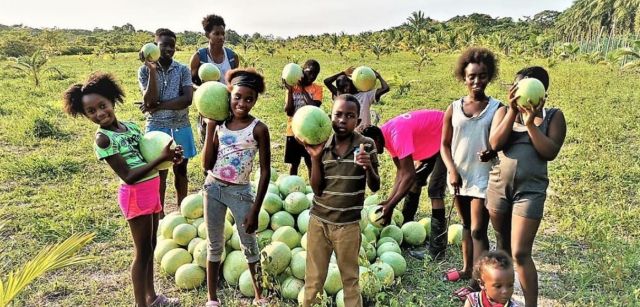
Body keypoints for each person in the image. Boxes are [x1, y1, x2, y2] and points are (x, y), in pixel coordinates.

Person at [62, 72, 182, 307]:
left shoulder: (132, 128)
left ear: (112, 101)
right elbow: (128, 176)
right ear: (85, 115)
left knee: (152, 247)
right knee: (142, 253)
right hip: (135, 195)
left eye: (102, 106)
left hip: (152, 190)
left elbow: (149, 155)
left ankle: (153, 297)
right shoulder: (104, 140)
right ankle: (141, 304)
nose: (99, 113)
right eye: (91, 111)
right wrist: (161, 160)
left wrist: (171, 157)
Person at [487, 66, 566, 307]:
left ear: (543, 93)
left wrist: (531, 124)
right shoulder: (503, 113)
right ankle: (502, 300)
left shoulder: (554, 117)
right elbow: (495, 143)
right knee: (502, 247)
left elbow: (549, 152)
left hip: (530, 193)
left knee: (520, 252)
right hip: (499, 188)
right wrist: (512, 113)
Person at [301, 94, 380, 307]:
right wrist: (315, 159)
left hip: (348, 227)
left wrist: (368, 167)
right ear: (330, 117)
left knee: (350, 279)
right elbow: (317, 189)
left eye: (350, 116)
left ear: (359, 121)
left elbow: (375, 185)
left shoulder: (366, 145)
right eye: (338, 115)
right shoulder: (321, 144)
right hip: (319, 222)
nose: (343, 120)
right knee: (314, 280)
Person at [200, 68, 271, 307]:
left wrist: (255, 209)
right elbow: (206, 164)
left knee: (249, 245)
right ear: (229, 95)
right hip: (213, 189)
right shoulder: (219, 125)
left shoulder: (258, 129)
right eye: (238, 97)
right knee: (214, 244)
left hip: (240, 193)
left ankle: (260, 296)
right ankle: (212, 299)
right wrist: (210, 128)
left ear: (255, 100)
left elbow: (265, 172)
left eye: (249, 99)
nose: (242, 103)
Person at [441, 47, 502, 300]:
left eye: (482, 76)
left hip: (482, 178)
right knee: (466, 226)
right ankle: (467, 270)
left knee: (478, 230)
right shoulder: (454, 108)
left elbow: (499, 139)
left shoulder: (497, 108)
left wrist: (491, 151)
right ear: (463, 77)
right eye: (472, 76)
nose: (477, 81)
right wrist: (452, 170)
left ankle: (479, 285)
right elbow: (444, 144)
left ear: (490, 77)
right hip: (458, 176)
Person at [362, 110, 448, 259]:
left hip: (448, 135)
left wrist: (391, 206)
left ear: (375, 138)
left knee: (435, 189)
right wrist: (389, 201)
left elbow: (408, 175)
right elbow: (401, 172)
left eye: (370, 147)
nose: (371, 152)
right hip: (433, 140)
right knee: (414, 182)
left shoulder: (396, 134)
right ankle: (407, 226)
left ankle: (437, 249)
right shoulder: (386, 137)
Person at [138, 28, 196, 212]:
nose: (169, 50)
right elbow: (149, 100)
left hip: (180, 126)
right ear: (155, 46)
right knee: (159, 173)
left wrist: (157, 106)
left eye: (172, 46)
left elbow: (186, 99)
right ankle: (160, 213)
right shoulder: (144, 71)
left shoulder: (182, 70)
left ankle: (182, 209)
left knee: (181, 170)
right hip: (156, 128)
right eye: (164, 46)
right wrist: (152, 71)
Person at [189, 14, 240, 144]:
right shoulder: (199, 57)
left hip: (229, 109)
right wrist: (202, 89)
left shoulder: (232, 57)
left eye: (223, 34)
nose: (221, 37)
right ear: (207, 35)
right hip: (208, 110)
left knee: (228, 144)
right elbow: (189, 82)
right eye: (216, 34)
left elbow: (236, 83)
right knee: (209, 145)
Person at [283, 59, 322, 178]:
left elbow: (314, 107)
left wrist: (303, 90)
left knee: (310, 162)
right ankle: (291, 189)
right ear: (301, 72)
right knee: (294, 164)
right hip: (293, 132)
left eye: (315, 74)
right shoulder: (292, 89)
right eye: (309, 72)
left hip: (310, 133)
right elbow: (289, 112)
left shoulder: (317, 89)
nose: (311, 76)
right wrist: (290, 91)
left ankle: (313, 188)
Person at [324, 66, 389, 131]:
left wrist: (379, 77)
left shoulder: (365, 95)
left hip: (365, 132)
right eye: (342, 87)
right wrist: (343, 73)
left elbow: (385, 88)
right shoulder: (340, 97)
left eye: (346, 85)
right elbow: (326, 81)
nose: (346, 89)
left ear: (351, 83)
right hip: (349, 135)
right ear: (340, 90)